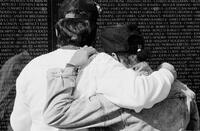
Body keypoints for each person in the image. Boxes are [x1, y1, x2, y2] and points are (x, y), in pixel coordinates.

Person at [43, 24, 199, 131]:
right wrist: (167, 69)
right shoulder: (181, 90)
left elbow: (57, 114)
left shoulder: (115, 100)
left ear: (112, 57)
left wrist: (71, 68)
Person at [10, 0, 100, 131]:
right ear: (94, 33)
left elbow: (20, 125)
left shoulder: (32, 67)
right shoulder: (104, 65)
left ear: (57, 32)